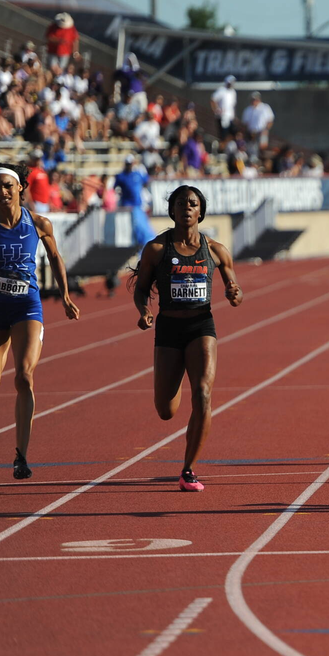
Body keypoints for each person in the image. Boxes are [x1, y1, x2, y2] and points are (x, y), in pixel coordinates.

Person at [0, 162, 80, 479]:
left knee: (24, 377)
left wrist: (66, 296)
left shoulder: (39, 222)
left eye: (7, 186)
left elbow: (55, 257)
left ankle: (21, 456)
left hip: (27, 305)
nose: (1, 192)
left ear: (20, 188)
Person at [132, 186, 243, 491]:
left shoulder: (216, 250)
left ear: (200, 212)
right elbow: (141, 288)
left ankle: (188, 469)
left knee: (204, 394)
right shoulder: (156, 249)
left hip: (201, 326)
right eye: (180, 203)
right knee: (165, 411)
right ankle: (177, 375)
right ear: (172, 210)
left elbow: (236, 291)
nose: (186, 208)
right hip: (168, 329)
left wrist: (235, 294)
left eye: (192, 204)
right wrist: (144, 311)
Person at [115, 154, 153, 251]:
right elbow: (115, 187)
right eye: (128, 164)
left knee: (142, 227)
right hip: (127, 207)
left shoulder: (138, 174)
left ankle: (143, 246)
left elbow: (146, 180)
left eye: (131, 163)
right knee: (131, 228)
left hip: (138, 205)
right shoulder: (121, 176)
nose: (129, 165)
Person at [241, 92, 274, 160]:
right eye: (253, 100)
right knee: (252, 148)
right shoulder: (248, 110)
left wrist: (266, 130)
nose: (254, 101)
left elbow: (270, 120)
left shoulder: (265, 107)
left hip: (262, 131)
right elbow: (245, 123)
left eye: (256, 99)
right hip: (251, 132)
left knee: (262, 147)